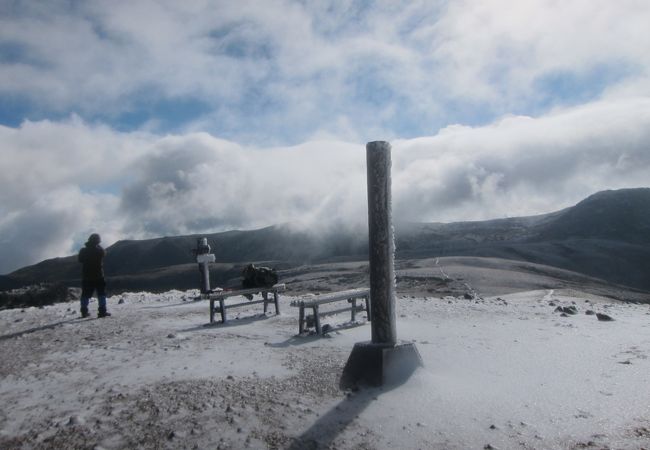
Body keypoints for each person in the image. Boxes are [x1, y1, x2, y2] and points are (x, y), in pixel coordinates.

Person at [78, 233, 110, 318]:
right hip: (99, 275)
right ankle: (102, 311)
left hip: (86, 276)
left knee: (85, 294)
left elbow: (80, 260)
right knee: (101, 293)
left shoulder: (83, 250)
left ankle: (84, 311)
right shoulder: (99, 250)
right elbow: (104, 253)